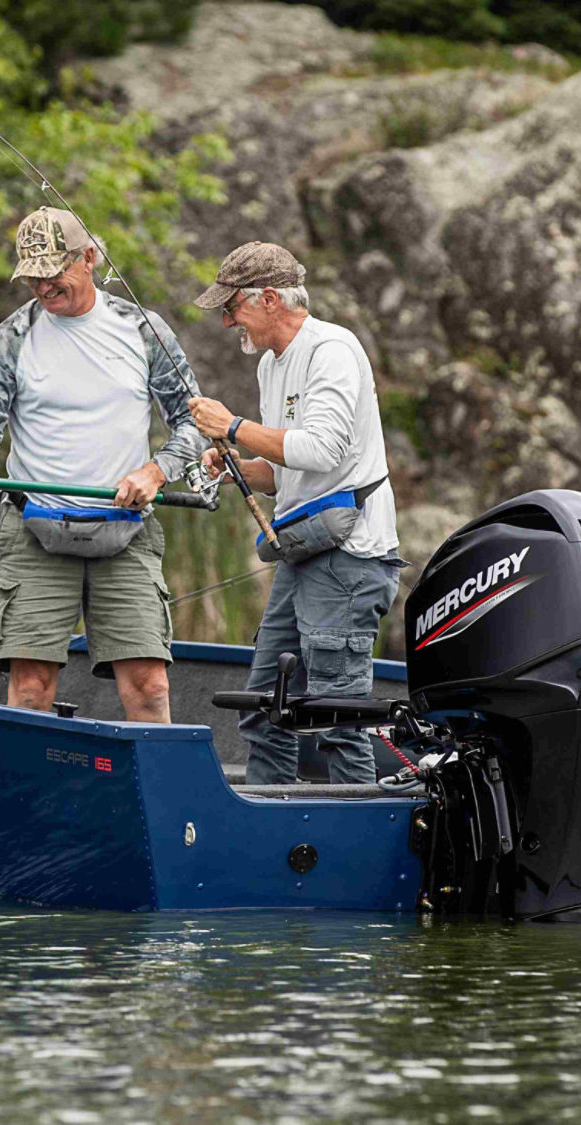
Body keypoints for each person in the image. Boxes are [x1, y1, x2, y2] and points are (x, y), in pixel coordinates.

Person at [0, 207, 205, 723]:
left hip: (127, 531)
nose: (43, 287)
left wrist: (156, 472)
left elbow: (195, 421)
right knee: (30, 685)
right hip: (34, 529)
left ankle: (159, 798)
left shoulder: (143, 330)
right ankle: (27, 798)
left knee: (149, 685)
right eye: (32, 277)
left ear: (89, 258)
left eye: (54, 273)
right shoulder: (10, 339)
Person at [186, 242, 403, 784]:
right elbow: (290, 468)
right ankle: (271, 824)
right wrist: (239, 463)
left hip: (349, 560)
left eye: (230, 306)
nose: (225, 319)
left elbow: (323, 450)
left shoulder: (332, 349)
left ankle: (357, 845)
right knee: (265, 707)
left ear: (267, 298)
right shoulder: (269, 366)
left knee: (337, 721)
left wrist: (232, 426)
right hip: (304, 554)